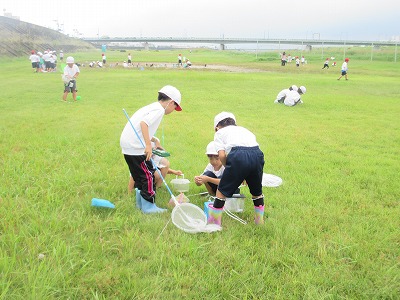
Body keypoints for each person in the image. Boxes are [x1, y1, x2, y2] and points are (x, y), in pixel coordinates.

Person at [120, 85, 182, 214]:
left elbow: (140, 127)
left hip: (128, 145)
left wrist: (154, 140)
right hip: (136, 147)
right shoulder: (159, 110)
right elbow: (144, 124)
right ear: (171, 102)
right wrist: (148, 146)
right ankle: (149, 206)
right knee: (148, 176)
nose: (174, 110)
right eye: (175, 106)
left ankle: (140, 203)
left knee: (140, 176)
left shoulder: (152, 107)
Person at [207, 112, 265, 226]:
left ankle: (214, 222)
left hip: (238, 155)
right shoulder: (244, 130)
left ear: (217, 127)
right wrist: (244, 174)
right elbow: (251, 149)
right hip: (257, 155)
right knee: (257, 191)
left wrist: (230, 169)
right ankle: (259, 221)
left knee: (221, 191)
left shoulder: (219, 133)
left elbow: (222, 156)